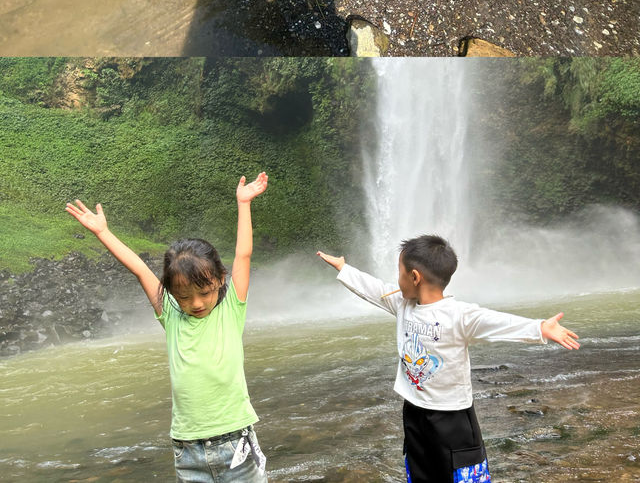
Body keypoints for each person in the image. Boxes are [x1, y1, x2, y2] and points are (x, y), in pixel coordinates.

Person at [317, 234, 580, 483]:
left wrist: (539, 328)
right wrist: (344, 268)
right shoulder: (401, 303)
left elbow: (497, 322)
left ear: (415, 277)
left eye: (399, 273)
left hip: (452, 417)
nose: (396, 281)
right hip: (414, 410)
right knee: (420, 472)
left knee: (462, 475)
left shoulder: (458, 315)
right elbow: (374, 289)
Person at [65, 172, 269, 483]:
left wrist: (244, 204)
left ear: (220, 280)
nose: (197, 303)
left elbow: (243, 253)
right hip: (187, 451)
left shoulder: (231, 308)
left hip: (235, 445)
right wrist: (102, 232)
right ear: (172, 293)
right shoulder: (171, 314)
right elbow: (138, 268)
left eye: (205, 292)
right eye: (185, 296)